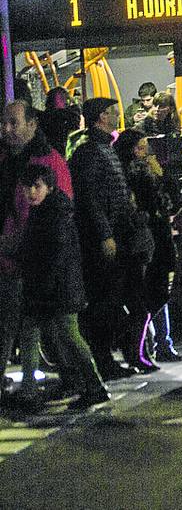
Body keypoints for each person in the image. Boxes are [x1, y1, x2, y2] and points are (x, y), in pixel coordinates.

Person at [12, 164, 109, 413]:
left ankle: (93, 386)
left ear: (49, 187)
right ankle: (81, 385)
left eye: (37, 186)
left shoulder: (53, 214)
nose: (32, 192)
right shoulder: (46, 210)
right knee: (52, 336)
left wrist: (36, 279)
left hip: (57, 290)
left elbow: (54, 256)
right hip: (54, 289)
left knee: (69, 337)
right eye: (28, 187)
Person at [0, 100, 74, 388]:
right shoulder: (8, 158)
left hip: (33, 257)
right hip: (9, 256)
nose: (6, 129)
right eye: (3, 123)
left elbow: (60, 212)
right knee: (10, 323)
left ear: (32, 124)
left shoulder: (47, 161)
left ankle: (69, 379)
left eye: (13, 122)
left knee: (41, 325)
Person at [68, 97, 133, 381]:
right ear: (101, 116)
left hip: (109, 233)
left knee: (108, 298)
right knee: (102, 300)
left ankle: (106, 357)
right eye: (112, 112)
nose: (117, 115)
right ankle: (102, 359)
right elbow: (90, 198)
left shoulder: (99, 149)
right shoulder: (91, 152)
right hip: (101, 238)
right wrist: (105, 233)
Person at [113, 130, 169, 373]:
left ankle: (139, 348)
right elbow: (159, 202)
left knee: (146, 297)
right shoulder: (134, 173)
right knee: (142, 298)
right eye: (140, 147)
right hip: (142, 240)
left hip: (147, 238)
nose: (145, 152)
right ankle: (135, 350)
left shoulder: (132, 171)